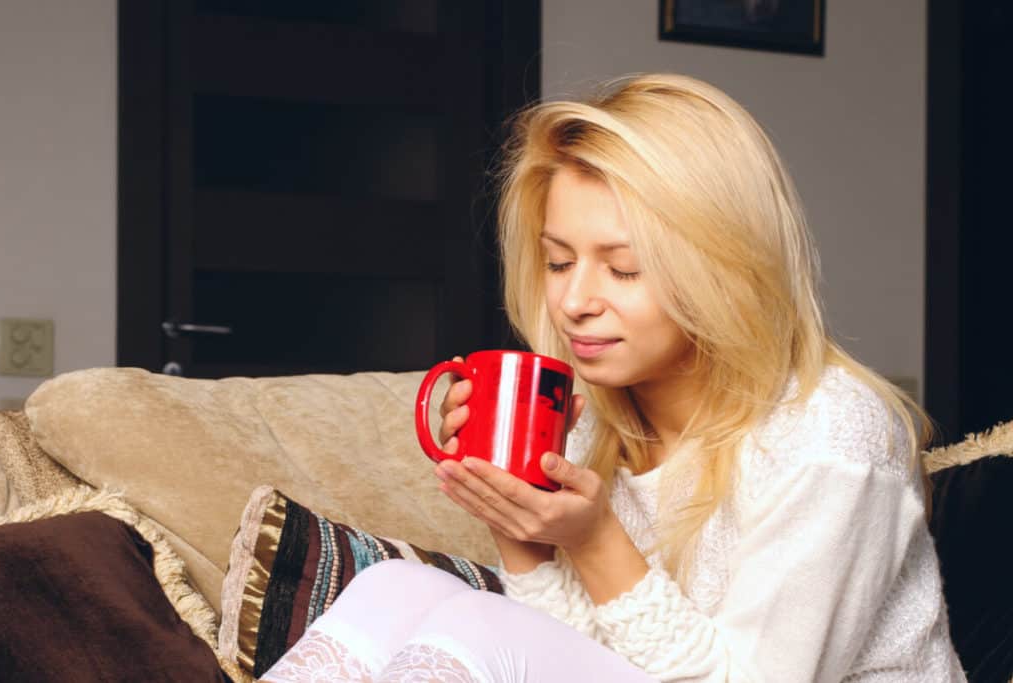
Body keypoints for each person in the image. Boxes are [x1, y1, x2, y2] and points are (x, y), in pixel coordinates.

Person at [260, 73, 965, 682]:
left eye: (623, 268)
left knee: (473, 619)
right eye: (560, 261)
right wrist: (522, 530)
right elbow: (575, 656)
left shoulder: (830, 433)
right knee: (392, 588)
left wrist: (597, 540)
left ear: (724, 268)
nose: (573, 301)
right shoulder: (594, 419)